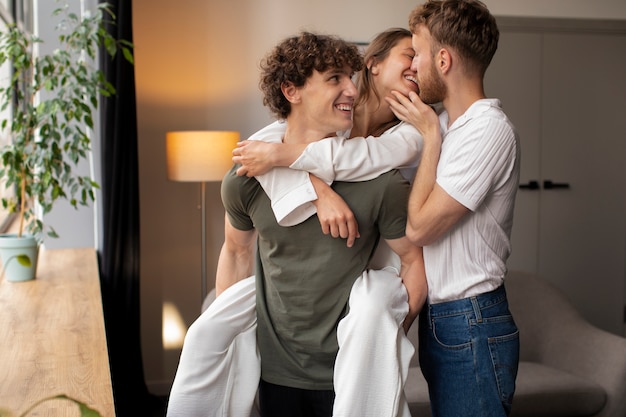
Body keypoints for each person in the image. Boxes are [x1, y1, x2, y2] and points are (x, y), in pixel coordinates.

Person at [167, 31, 427, 417]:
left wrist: (386, 335)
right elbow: (236, 251)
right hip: (274, 371)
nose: (352, 91)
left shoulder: (381, 181)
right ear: (292, 90)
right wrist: (231, 336)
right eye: (335, 78)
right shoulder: (247, 179)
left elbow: (413, 263)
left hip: (348, 373)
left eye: (351, 78)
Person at [383, 1, 521, 416]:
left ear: (443, 59)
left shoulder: (489, 130)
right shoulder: (446, 124)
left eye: (419, 54)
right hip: (443, 317)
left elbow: (421, 228)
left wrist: (428, 133)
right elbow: (370, 159)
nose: (414, 66)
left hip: (472, 318)